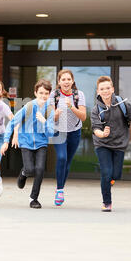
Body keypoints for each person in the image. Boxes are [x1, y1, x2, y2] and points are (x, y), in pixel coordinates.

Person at [91, 76, 131, 212]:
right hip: (102, 144)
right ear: (98, 91)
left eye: (108, 88)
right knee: (106, 173)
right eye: (102, 89)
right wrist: (102, 134)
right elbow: (95, 129)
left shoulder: (123, 104)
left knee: (116, 174)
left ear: (112, 89)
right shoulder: (96, 110)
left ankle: (109, 182)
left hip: (120, 144)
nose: (105, 91)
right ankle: (107, 202)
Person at [0, 79, 55, 209]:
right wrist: (6, 141)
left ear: (49, 95)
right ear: (35, 93)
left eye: (46, 93)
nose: (43, 96)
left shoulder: (50, 110)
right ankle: (24, 173)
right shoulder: (29, 106)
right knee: (30, 169)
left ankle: (34, 198)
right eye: (41, 93)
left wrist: (44, 121)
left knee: (40, 170)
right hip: (26, 142)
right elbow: (12, 123)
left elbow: (51, 133)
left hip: (41, 143)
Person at [50, 69, 87, 206]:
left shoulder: (79, 95)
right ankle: (60, 190)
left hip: (74, 131)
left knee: (68, 162)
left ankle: (60, 187)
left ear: (72, 81)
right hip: (58, 131)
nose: (66, 82)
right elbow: (50, 117)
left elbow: (83, 116)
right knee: (61, 157)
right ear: (59, 82)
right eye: (63, 79)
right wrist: (56, 115)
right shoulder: (54, 95)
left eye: (68, 79)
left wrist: (71, 106)